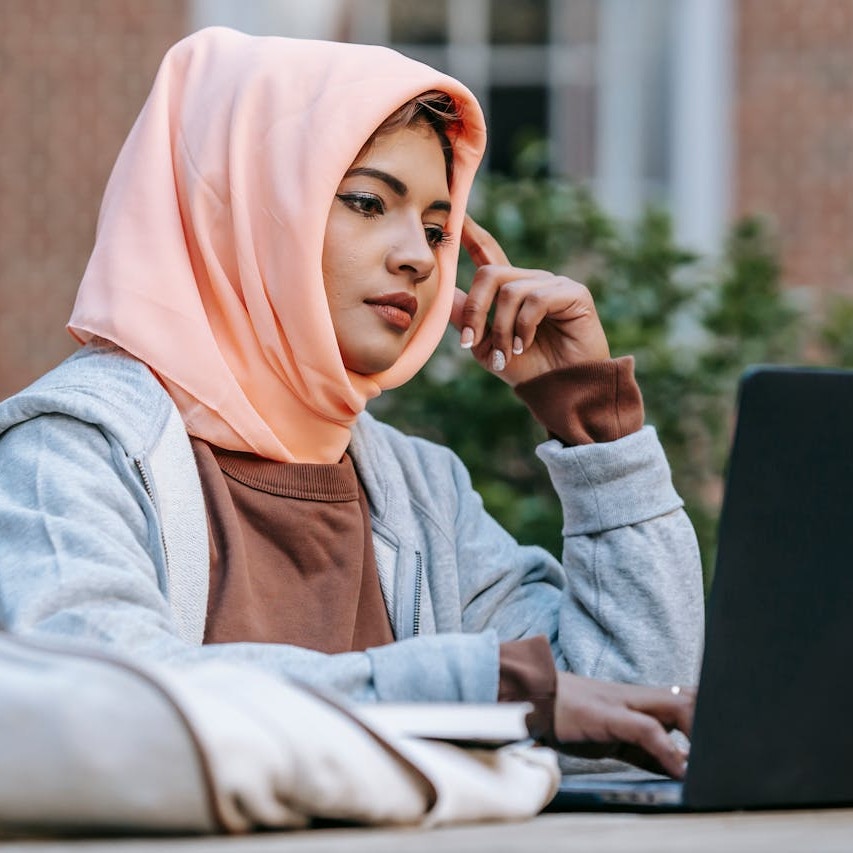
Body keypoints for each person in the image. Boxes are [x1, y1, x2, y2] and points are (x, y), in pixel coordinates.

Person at [0, 27, 703, 780]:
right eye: (368, 202)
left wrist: (594, 425)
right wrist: (473, 689)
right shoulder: (74, 451)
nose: (419, 257)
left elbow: (634, 723)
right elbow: (107, 705)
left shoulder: (419, 491)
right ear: (242, 208)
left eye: (436, 228)